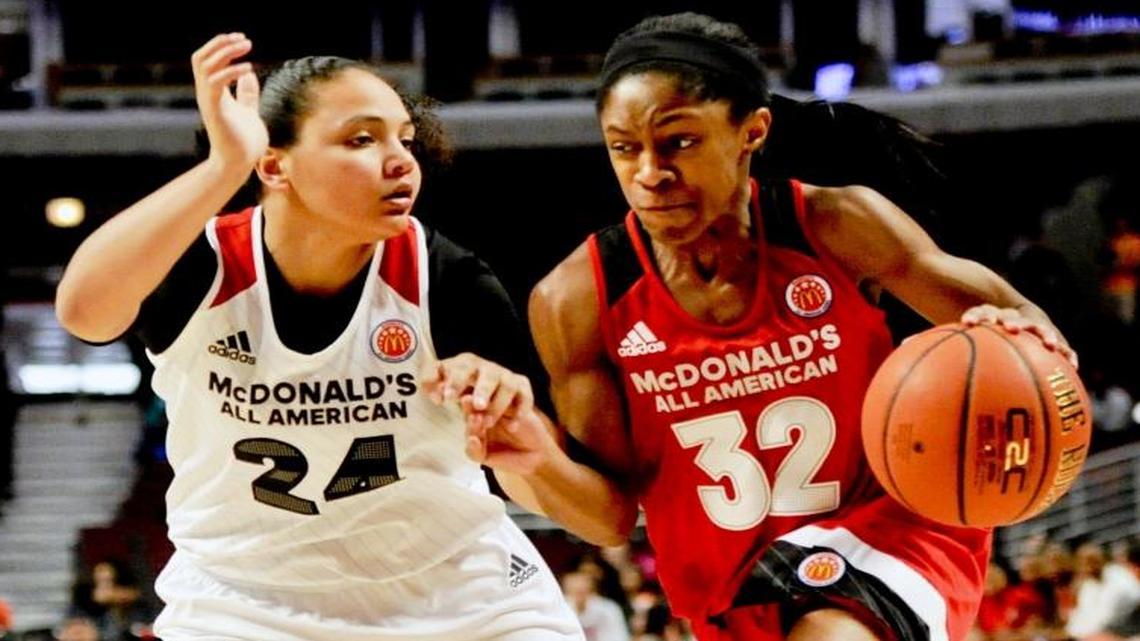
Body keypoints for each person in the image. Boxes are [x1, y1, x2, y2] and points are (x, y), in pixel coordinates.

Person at [448, 11, 1080, 641]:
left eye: (679, 142)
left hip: (890, 540)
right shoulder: (578, 298)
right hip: (732, 592)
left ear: (752, 132)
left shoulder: (836, 225)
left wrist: (1018, 335)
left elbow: (1018, 316)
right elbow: (611, 515)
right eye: (624, 147)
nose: (649, 173)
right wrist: (530, 459)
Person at [54, 34, 583, 641]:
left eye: (404, 140)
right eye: (362, 139)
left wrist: (518, 430)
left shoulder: (447, 278)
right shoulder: (202, 266)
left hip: (455, 598)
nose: (401, 161)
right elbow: (84, 313)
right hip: (245, 602)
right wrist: (224, 165)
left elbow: (532, 476)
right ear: (274, 164)